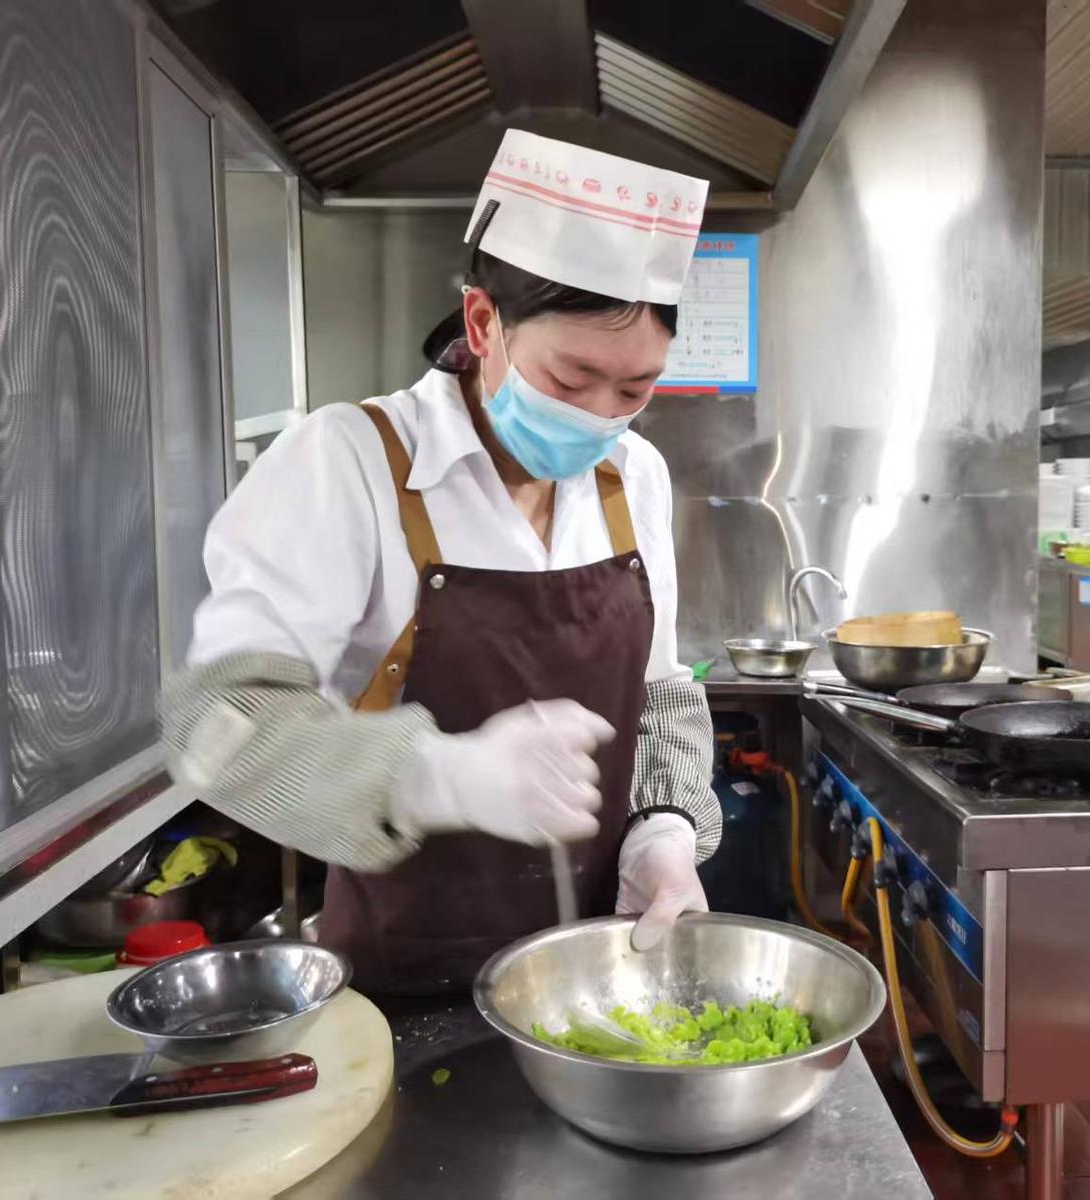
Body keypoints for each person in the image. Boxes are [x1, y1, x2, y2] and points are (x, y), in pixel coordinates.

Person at [161, 131, 722, 995]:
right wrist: (441, 777)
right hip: (407, 990)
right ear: (483, 322)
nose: (600, 416)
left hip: (602, 977)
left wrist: (664, 833)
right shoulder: (347, 463)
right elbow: (217, 725)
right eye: (572, 380)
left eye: (634, 389)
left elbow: (660, 698)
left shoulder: (635, 475)